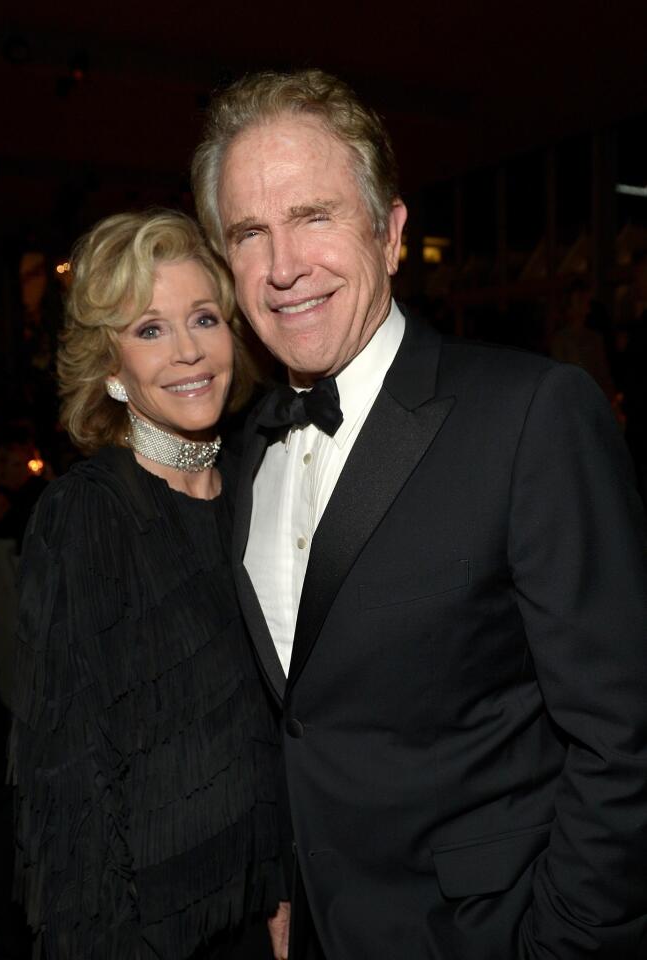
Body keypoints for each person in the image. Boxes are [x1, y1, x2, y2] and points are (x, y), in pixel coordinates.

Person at [191, 69, 647, 959]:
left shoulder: (531, 416)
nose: (284, 267)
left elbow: (624, 741)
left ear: (391, 234)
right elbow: (293, 721)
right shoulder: (244, 453)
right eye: (251, 232)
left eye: (315, 215)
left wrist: (562, 946)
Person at [9, 211, 280, 959]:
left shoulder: (260, 488)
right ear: (110, 365)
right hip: (147, 937)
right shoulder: (86, 517)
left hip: (262, 916)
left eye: (203, 318)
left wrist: (283, 892)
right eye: (150, 329)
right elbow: (68, 787)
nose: (190, 351)